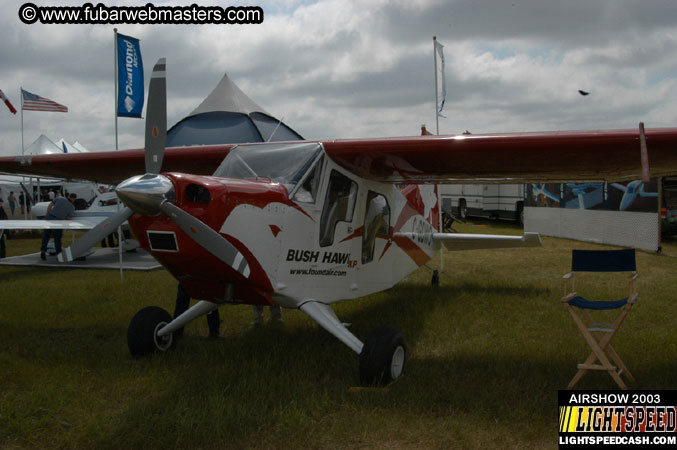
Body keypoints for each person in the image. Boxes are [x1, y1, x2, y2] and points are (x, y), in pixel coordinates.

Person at [40, 193, 76, 260]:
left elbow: (50, 205)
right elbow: (69, 217)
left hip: (50, 218)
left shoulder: (60, 198)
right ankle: (59, 255)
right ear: (74, 199)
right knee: (57, 239)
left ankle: (43, 251)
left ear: (68, 196)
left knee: (46, 236)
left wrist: (47, 215)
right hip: (59, 221)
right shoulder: (72, 207)